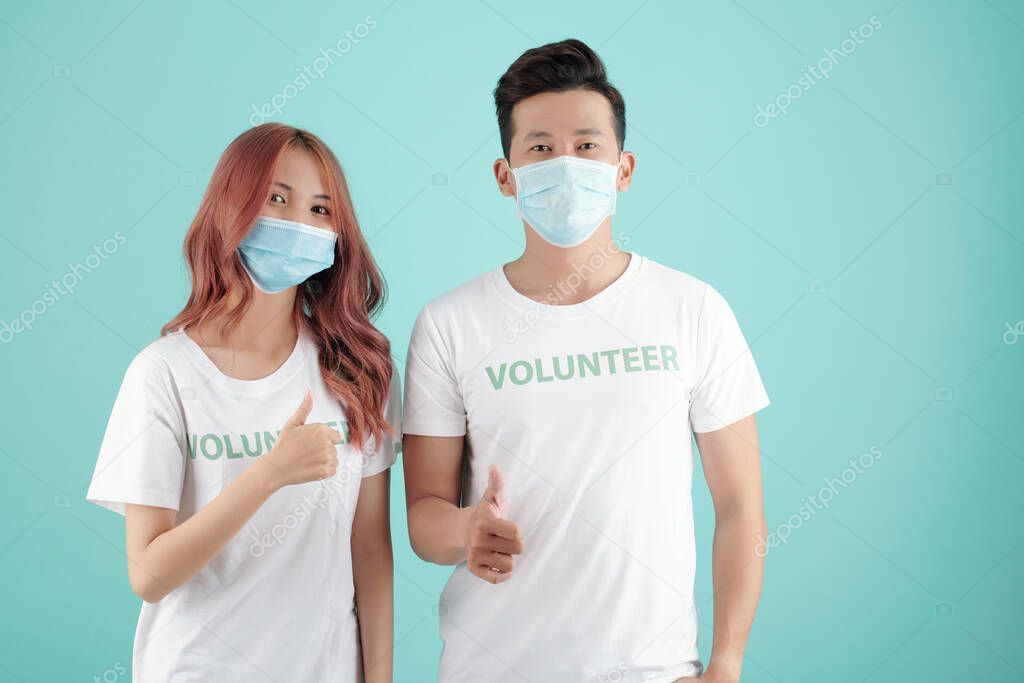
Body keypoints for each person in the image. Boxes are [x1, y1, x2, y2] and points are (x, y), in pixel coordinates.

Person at [402, 39, 769, 682]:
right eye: (540, 148)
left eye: (587, 145)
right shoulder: (449, 324)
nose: (565, 164)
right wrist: (466, 529)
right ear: (504, 174)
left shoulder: (693, 310)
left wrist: (727, 662)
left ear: (623, 169)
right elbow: (423, 519)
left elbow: (741, 507)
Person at [86, 123, 400, 682]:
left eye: (321, 210)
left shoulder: (357, 369)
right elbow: (148, 573)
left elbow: (371, 553)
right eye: (277, 199)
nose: (297, 223)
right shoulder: (163, 373)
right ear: (230, 206)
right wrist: (269, 475)